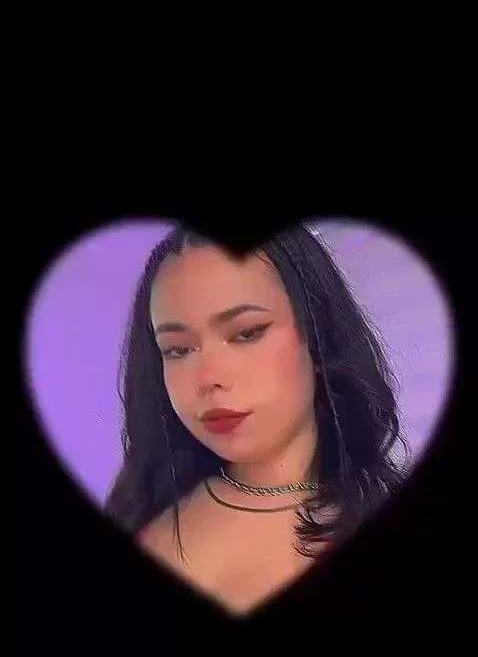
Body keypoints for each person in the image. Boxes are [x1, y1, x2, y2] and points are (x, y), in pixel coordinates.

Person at [105, 222, 409, 615]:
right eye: (178, 350)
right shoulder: (144, 514)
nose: (209, 378)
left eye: (246, 333)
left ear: (318, 337)